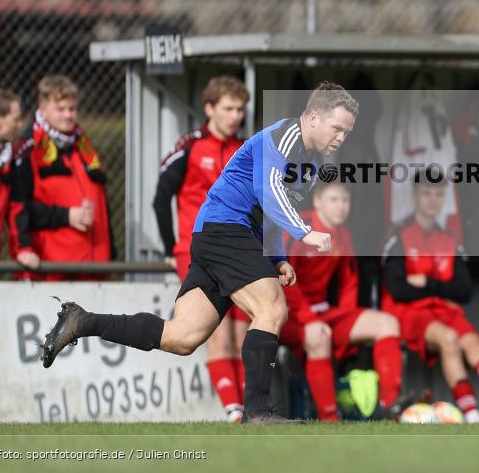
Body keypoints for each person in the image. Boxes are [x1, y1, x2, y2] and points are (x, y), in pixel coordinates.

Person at [39, 83, 358, 424]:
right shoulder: (286, 137)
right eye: (336, 127)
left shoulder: (310, 162)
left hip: (218, 235)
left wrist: (279, 257)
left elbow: (273, 215)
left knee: (183, 337)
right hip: (227, 230)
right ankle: (258, 412)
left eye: (347, 132)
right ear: (312, 117)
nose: (341, 137)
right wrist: (306, 231)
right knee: (272, 308)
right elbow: (269, 192)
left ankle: (82, 321)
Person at [382, 174, 479, 423]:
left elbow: (464, 290)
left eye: (438, 194)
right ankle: (473, 417)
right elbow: (397, 289)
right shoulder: (399, 238)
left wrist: (426, 282)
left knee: (475, 344)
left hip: (447, 311)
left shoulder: (450, 240)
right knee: (449, 339)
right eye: (426, 193)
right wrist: (441, 287)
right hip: (410, 315)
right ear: (415, 197)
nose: (432, 200)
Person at [152, 75, 249, 422]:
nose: (235, 115)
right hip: (197, 250)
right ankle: (234, 409)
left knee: (243, 330)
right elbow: (161, 197)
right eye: (228, 108)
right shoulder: (190, 145)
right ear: (209, 108)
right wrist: (171, 247)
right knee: (216, 329)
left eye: (240, 109)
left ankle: (247, 407)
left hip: (238, 251)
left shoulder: (245, 149)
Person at [281, 182, 403, 421]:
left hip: (323, 314)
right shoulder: (297, 230)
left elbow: (349, 281)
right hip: (290, 317)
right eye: (334, 200)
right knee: (319, 336)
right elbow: (284, 282)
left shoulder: (342, 234)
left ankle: (389, 408)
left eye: (345, 201)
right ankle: (330, 419)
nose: (341, 207)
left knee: (387, 323)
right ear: (317, 201)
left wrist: (347, 325)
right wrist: (308, 320)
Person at [9, 75, 114, 280]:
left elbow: (103, 205)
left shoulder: (84, 148)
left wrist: (111, 257)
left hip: (94, 271)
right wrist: (67, 216)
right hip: (52, 272)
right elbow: (19, 208)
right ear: (43, 108)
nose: (68, 115)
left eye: (72, 109)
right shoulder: (28, 150)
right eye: (61, 109)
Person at [0, 89, 30, 264]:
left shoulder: (10, 159)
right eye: (15, 119)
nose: (19, 125)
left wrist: (23, 249)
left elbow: (16, 207)